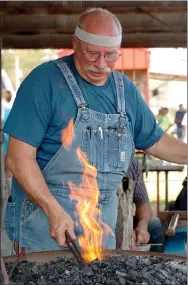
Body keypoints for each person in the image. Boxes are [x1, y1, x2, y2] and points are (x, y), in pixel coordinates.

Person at [3, 8, 187, 254]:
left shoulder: (126, 91)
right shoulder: (44, 83)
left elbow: (157, 142)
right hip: (45, 221)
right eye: (92, 54)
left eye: (111, 56)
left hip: (100, 228)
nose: (101, 65)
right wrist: (52, 209)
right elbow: (17, 159)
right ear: (75, 44)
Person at [127, 159, 163, 253]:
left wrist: (142, 226)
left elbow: (143, 204)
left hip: (123, 218)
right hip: (94, 221)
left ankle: (154, 265)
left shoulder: (131, 164)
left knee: (156, 226)